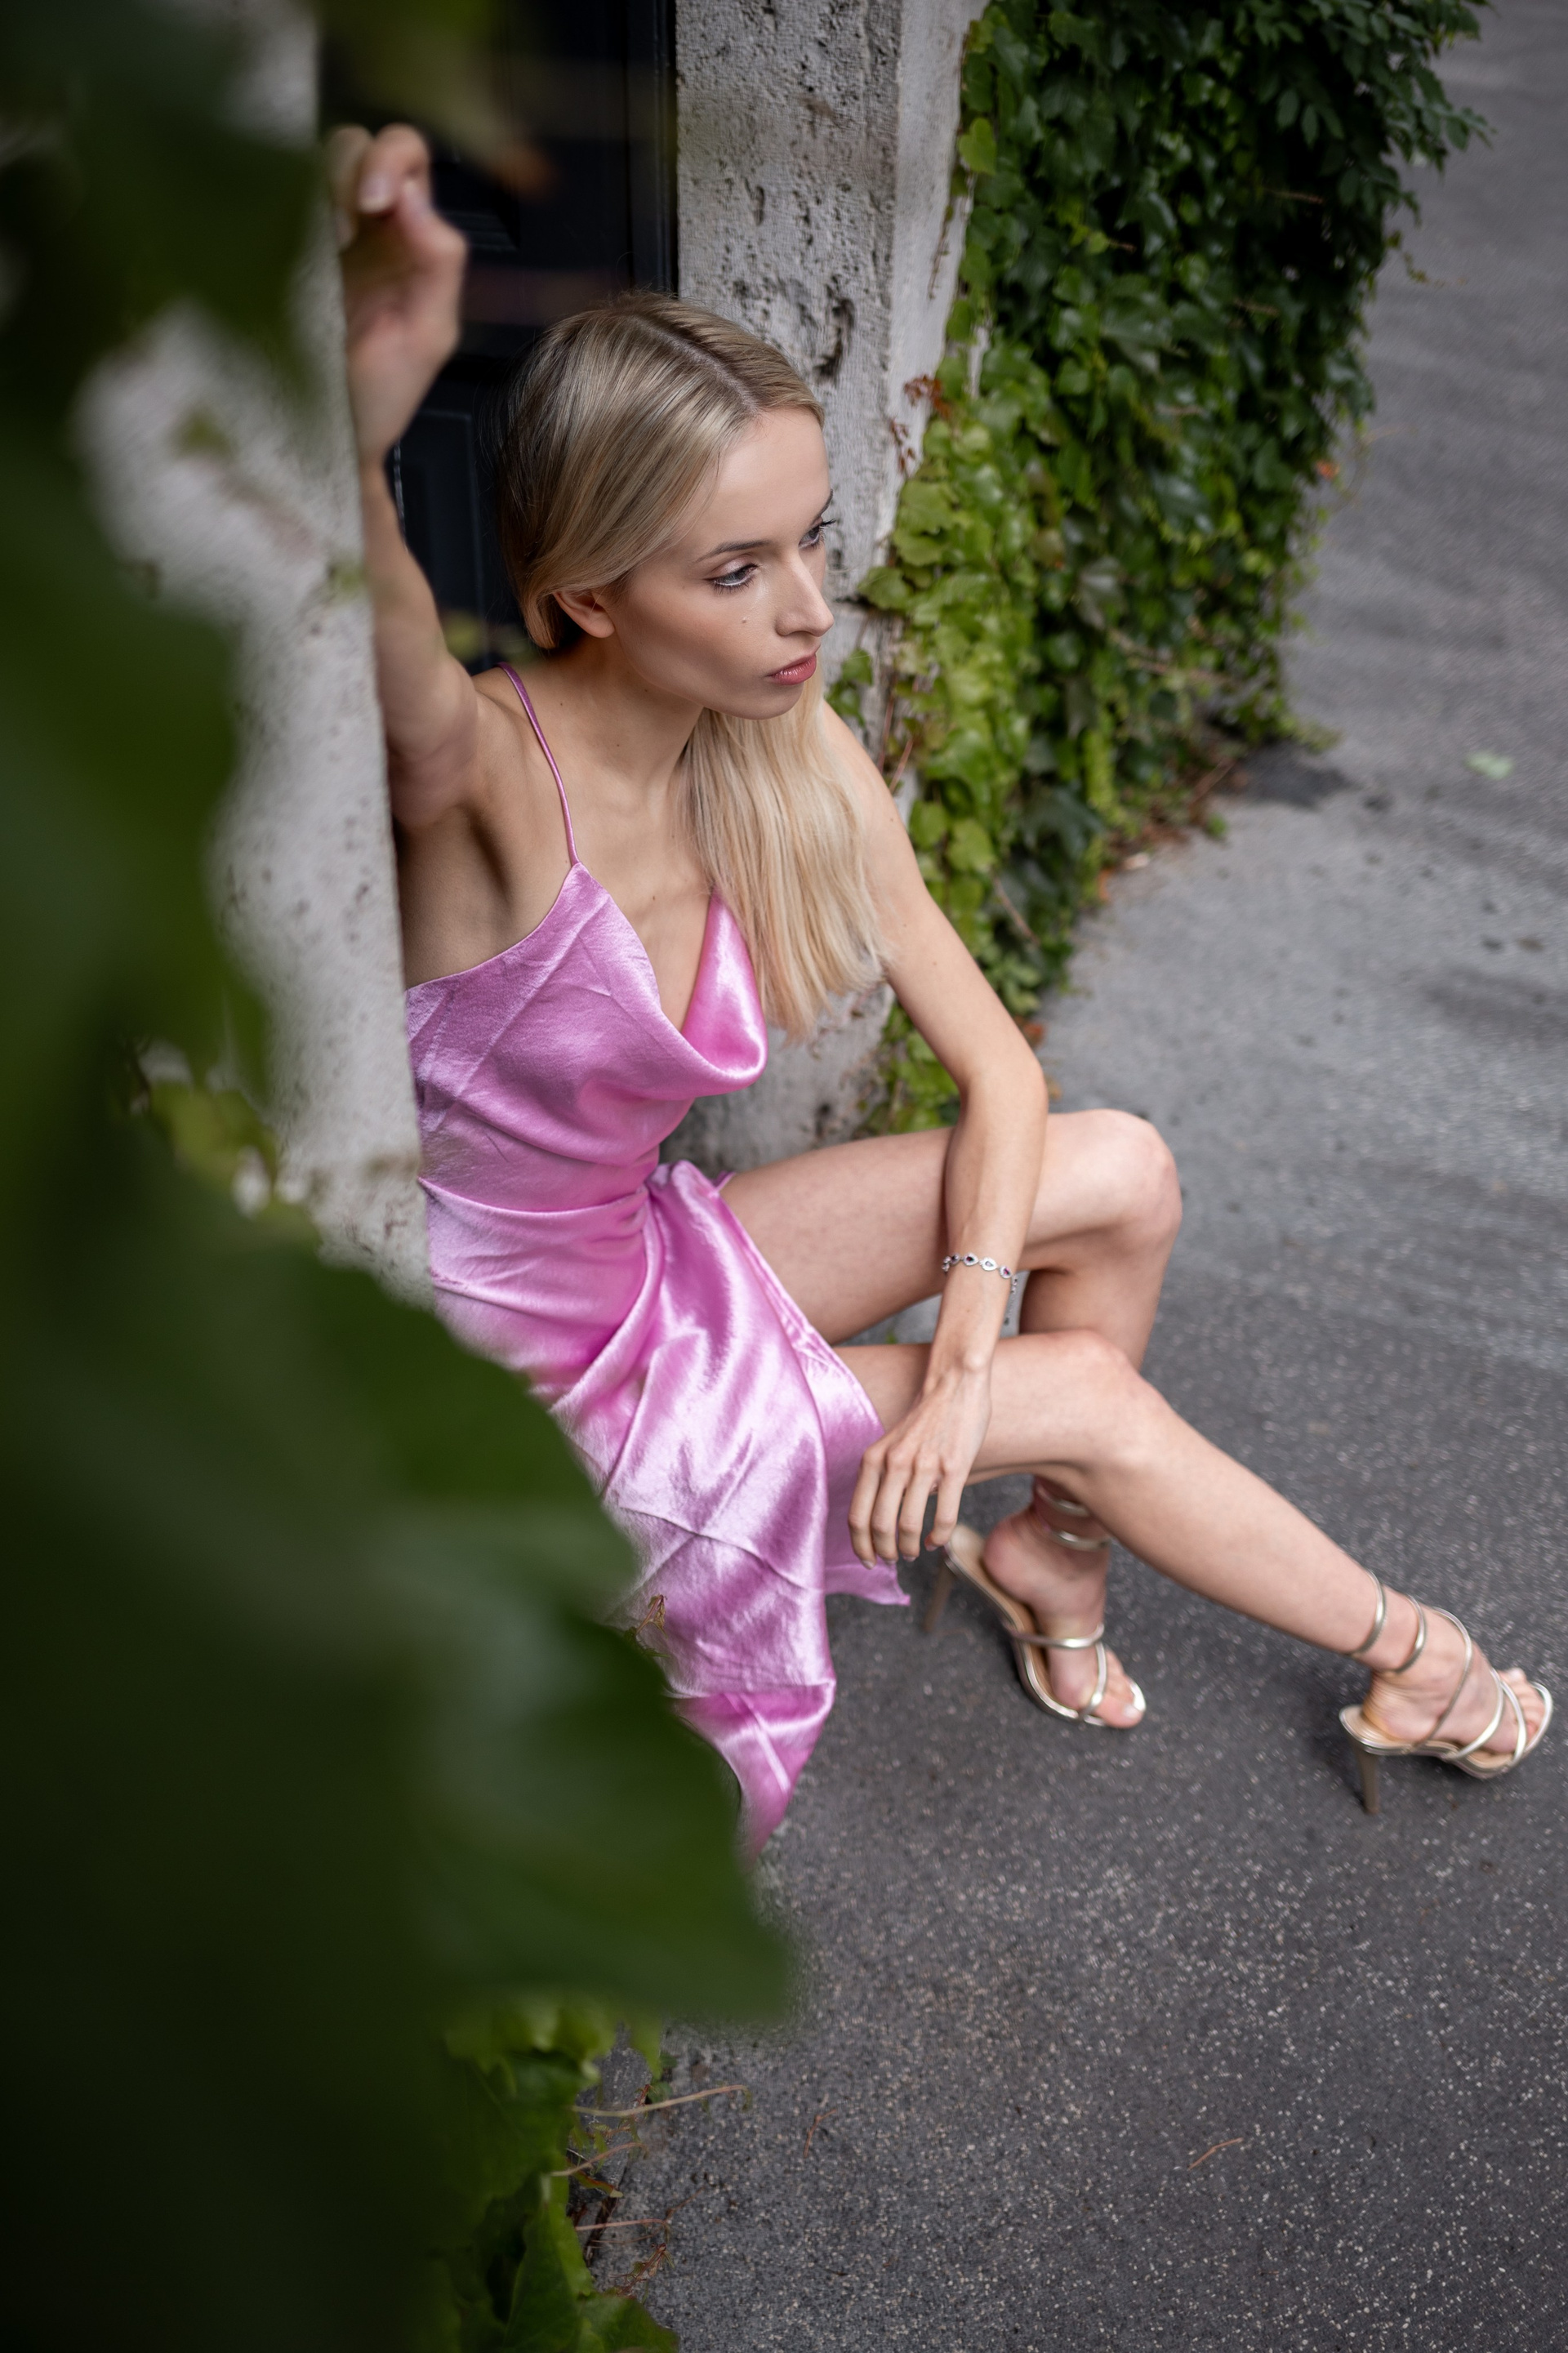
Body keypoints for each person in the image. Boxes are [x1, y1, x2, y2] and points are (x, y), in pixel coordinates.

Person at [331, 124, 1549, 1847]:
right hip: (516, 1392)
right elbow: (391, 665)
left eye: (809, 540)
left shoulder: (776, 744)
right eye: (737, 570)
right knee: (1094, 1398)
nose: (808, 610)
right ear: (586, 594)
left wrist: (965, 1362)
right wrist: (359, 421)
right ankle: (1414, 1656)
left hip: (633, 1263)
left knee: (1119, 1170)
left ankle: (1052, 1554)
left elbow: (1004, 1068)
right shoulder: (490, 788)